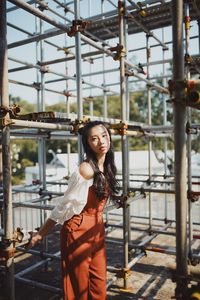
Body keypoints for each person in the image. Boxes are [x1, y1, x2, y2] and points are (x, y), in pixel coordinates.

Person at [28, 120, 120, 300]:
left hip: (97, 228)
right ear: (88, 144)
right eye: (94, 139)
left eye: (104, 135)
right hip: (78, 230)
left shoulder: (106, 164)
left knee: (99, 287)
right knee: (79, 290)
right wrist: (41, 233)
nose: (101, 141)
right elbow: (63, 206)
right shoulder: (86, 170)